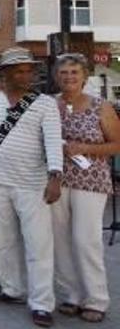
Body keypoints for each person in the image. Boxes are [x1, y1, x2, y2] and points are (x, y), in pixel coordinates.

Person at [0, 47, 62, 328]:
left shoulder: (45, 103)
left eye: (29, 70)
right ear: (4, 74)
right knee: (5, 241)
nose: (26, 76)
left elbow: (53, 141)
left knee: (38, 245)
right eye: (18, 70)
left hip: (33, 185)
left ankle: (42, 304)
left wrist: (55, 177)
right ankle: (12, 289)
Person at [51, 53, 120, 323]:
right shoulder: (50, 105)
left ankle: (96, 298)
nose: (69, 77)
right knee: (60, 238)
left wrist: (85, 148)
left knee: (85, 239)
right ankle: (72, 294)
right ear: (56, 76)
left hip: (91, 180)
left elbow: (116, 144)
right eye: (64, 72)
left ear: (84, 76)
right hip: (57, 179)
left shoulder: (100, 106)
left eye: (74, 72)